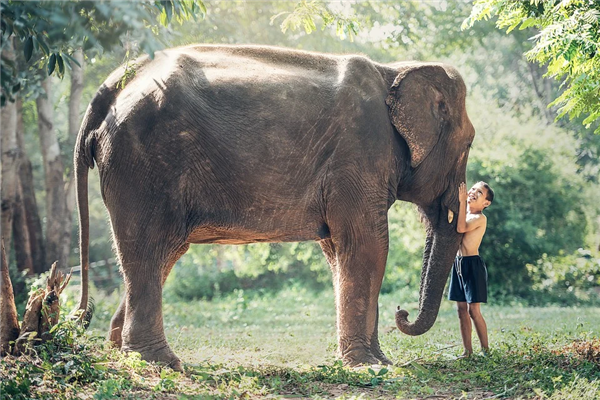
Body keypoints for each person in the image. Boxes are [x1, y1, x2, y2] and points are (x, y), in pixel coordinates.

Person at [448, 181, 494, 357]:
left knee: (473, 311)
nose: (473, 192)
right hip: (458, 264)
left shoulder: (479, 218)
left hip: (472, 265)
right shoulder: (465, 213)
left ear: (486, 203)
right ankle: (467, 351)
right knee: (461, 310)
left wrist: (460, 201)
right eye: (473, 189)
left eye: (480, 192)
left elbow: (461, 227)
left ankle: (486, 350)